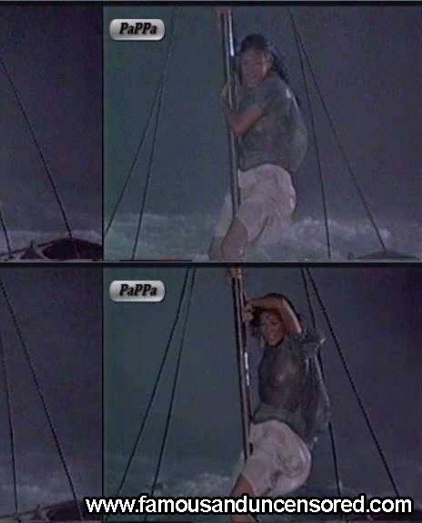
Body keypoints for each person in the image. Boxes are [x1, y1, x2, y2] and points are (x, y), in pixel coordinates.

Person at [230, 293, 330, 523]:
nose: (268, 330)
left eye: (274, 323)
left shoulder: (296, 347)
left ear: (286, 323)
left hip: (282, 443)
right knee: (238, 504)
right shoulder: (269, 349)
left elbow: (280, 303)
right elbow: (251, 319)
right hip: (264, 437)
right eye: (264, 325)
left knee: (238, 506)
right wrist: (239, 289)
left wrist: (253, 304)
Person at [210, 34, 308, 261]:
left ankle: (242, 285)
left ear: (269, 61)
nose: (250, 70)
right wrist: (221, 22)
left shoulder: (274, 88)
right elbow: (231, 59)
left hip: (269, 183)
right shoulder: (252, 87)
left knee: (231, 247)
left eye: (257, 63)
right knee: (216, 253)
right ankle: (236, 282)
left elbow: (238, 126)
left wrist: (224, 103)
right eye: (245, 64)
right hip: (245, 180)